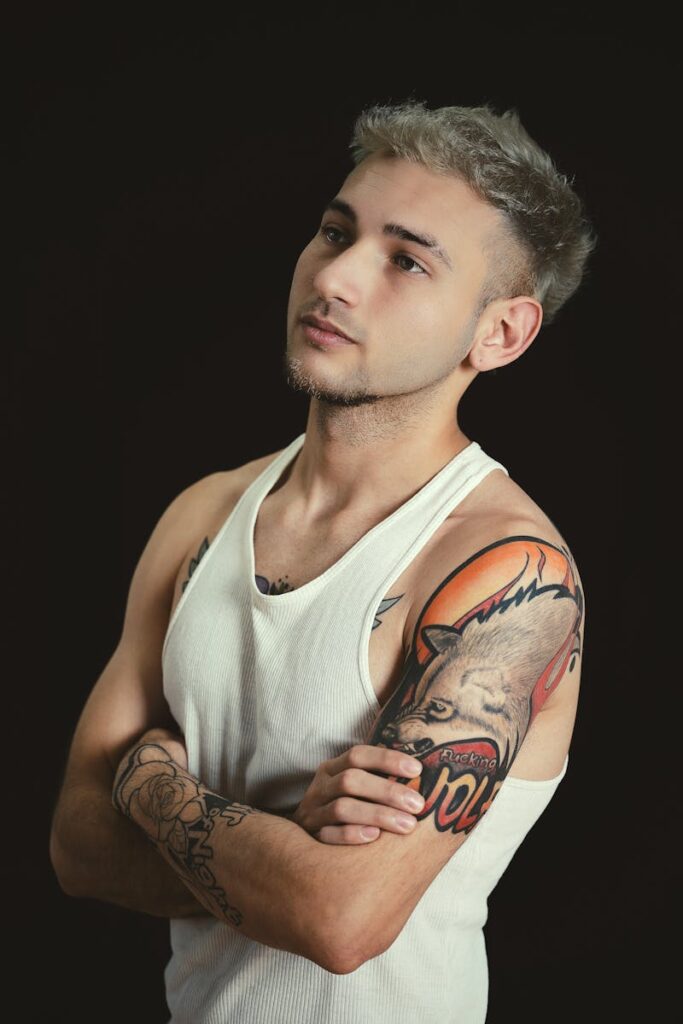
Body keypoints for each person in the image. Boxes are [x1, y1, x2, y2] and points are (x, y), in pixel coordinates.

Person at [49, 98, 597, 1022]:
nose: (335, 276)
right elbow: (76, 848)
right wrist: (275, 846)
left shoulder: (506, 573)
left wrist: (151, 782)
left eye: (405, 260)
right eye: (334, 231)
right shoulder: (205, 514)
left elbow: (338, 918)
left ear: (498, 333)